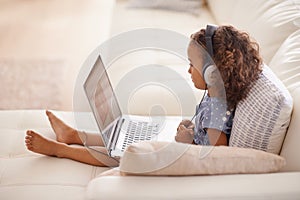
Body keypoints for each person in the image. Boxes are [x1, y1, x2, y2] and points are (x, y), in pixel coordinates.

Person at [25, 25, 263, 167]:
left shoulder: (217, 108)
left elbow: (216, 156)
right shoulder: (216, 98)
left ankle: (61, 150)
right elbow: (209, 135)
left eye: (192, 64)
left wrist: (187, 142)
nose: (188, 70)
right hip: (181, 147)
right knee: (122, 135)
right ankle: (73, 135)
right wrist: (192, 129)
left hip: (180, 160)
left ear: (212, 72)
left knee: (119, 155)